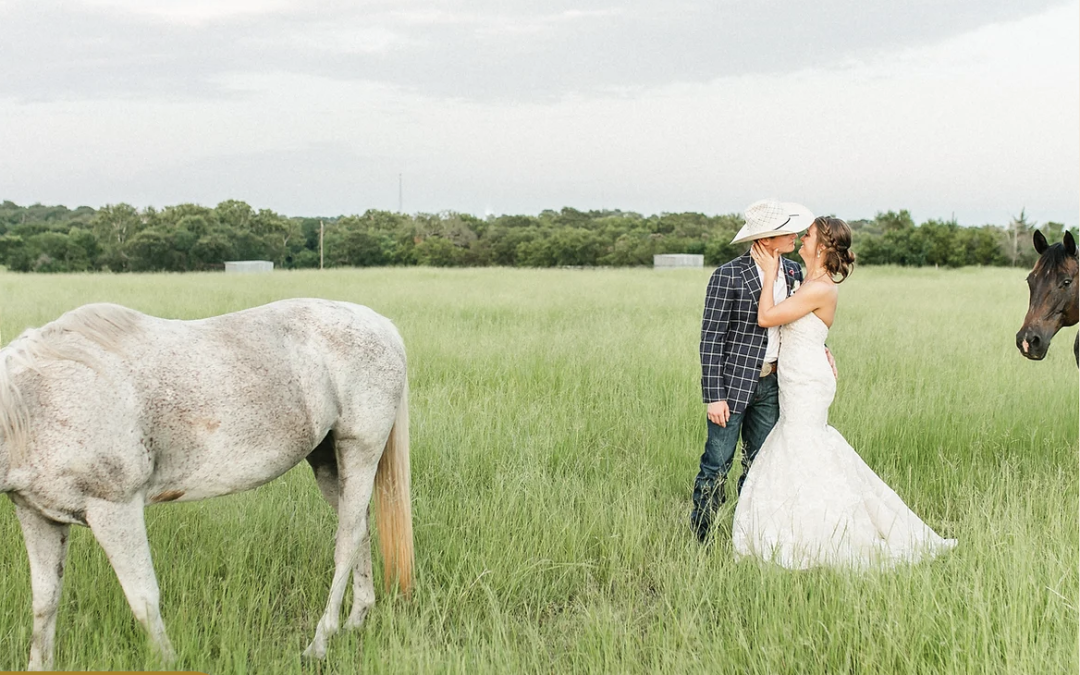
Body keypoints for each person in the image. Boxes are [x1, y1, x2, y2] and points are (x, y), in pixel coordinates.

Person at [732, 216, 957, 568]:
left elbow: (767, 317)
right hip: (796, 375)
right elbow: (806, 329)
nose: (801, 239)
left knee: (804, 443)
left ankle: (821, 529)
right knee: (800, 444)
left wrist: (770, 268)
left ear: (822, 246)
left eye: (806, 235)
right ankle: (791, 522)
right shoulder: (807, 280)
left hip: (807, 381)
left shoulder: (821, 287)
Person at [690, 198, 818, 543]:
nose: (794, 235)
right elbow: (711, 338)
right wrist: (714, 396)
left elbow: (799, 322)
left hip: (774, 383)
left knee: (760, 466)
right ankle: (702, 537)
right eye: (785, 231)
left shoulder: (793, 272)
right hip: (731, 388)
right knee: (717, 464)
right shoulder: (728, 274)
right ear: (765, 239)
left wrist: (823, 349)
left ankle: (747, 536)